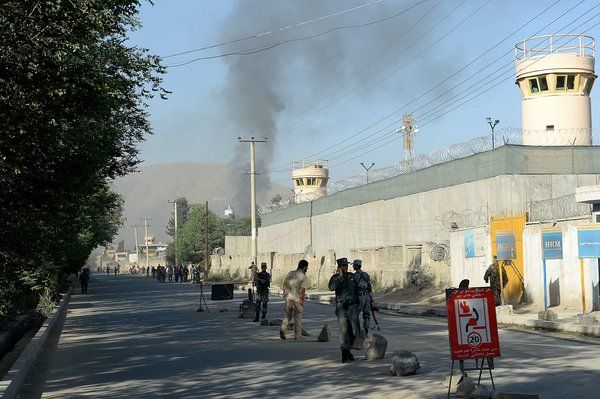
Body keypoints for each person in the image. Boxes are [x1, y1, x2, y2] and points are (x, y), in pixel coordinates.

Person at [329, 257, 359, 363]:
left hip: (352, 306)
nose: (345, 267)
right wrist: (340, 277)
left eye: (346, 265)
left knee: (354, 331)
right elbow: (332, 287)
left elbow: (358, 290)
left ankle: (348, 349)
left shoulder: (352, 276)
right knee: (343, 330)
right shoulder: (335, 277)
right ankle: (344, 352)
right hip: (341, 306)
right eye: (343, 266)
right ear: (339, 267)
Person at [280, 260, 308, 340]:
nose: (307, 268)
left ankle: (283, 329)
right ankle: (298, 334)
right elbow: (302, 290)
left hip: (288, 297)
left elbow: (284, 284)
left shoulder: (290, 273)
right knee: (297, 316)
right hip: (297, 299)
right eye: (306, 267)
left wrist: (285, 294)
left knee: (287, 315)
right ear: (304, 267)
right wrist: (302, 301)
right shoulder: (303, 276)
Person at [352, 259, 372, 335]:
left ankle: (356, 331)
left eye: (354, 265)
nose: (353, 266)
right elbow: (369, 286)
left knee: (355, 314)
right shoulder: (366, 274)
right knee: (366, 314)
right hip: (367, 295)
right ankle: (366, 331)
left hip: (360, 296)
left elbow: (353, 288)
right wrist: (371, 297)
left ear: (356, 266)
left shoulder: (354, 276)